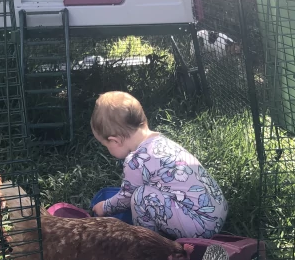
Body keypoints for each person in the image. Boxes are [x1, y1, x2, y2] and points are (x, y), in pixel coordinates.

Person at [90, 91, 228, 239]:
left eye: (106, 145)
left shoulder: (136, 161)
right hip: (216, 213)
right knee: (148, 191)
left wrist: (104, 207)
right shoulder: (162, 143)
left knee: (140, 197)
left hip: (200, 226)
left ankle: (148, 242)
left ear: (115, 141)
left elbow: (125, 199)